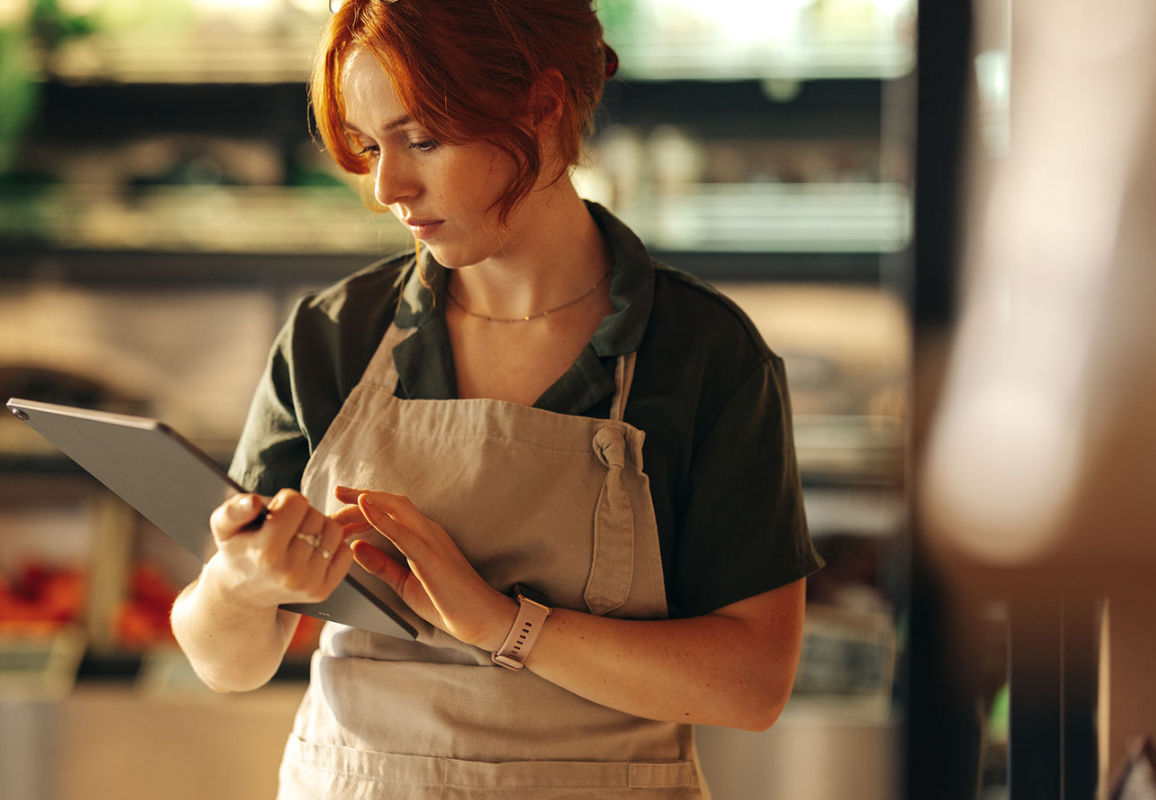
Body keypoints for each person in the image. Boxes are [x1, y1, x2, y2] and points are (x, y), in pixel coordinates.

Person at [169, 1, 821, 797]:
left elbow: (752, 684)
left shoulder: (704, 354)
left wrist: (502, 624)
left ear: (542, 107)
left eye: (424, 140)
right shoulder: (332, 338)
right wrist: (240, 585)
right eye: (372, 146)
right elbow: (226, 663)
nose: (387, 187)